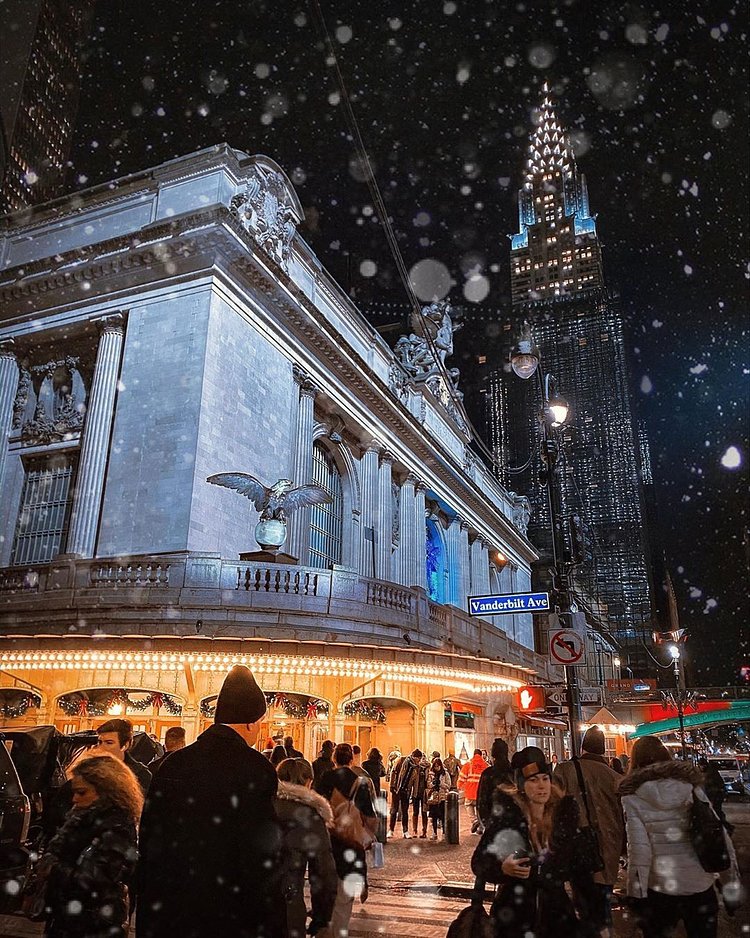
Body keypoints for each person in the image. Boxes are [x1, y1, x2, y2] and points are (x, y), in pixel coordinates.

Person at [136, 665, 284, 938]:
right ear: (251, 722)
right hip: (229, 913)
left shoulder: (173, 764)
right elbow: (260, 856)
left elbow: (149, 841)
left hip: (173, 909)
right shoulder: (256, 769)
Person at [471, 746, 581, 938]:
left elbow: (579, 865)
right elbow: (479, 862)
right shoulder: (508, 819)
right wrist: (502, 869)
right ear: (521, 785)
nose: (541, 786)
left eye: (545, 778)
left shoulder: (563, 816)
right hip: (513, 914)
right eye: (533, 780)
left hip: (556, 915)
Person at [619, 736, 719, 938]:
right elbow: (717, 831)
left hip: (660, 887)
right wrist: (729, 877)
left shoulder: (633, 797)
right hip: (699, 882)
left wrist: (636, 893)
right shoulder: (691, 787)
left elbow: (639, 850)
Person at [42, 753, 142, 938]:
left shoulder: (117, 826)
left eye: (82, 792)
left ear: (107, 791)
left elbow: (96, 879)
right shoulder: (80, 820)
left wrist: (52, 869)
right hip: (68, 919)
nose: (74, 799)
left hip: (93, 925)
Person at [554, 726, 625, 937]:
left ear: (582, 745)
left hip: (578, 845)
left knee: (583, 902)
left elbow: (554, 806)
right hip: (609, 845)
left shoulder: (565, 770)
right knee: (602, 899)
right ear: (603, 749)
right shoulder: (614, 777)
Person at [315, 743, 377, 938]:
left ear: (334, 759)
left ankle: (324, 930)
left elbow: (316, 806)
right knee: (343, 899)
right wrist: (368, 834)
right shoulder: (360, 783)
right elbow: (370, 816)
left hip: (327, 839)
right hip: (350, 843)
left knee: (326, 894)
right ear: (352, 759)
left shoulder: (325, 779)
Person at [275, 757, 338, 938]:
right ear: (309, 782)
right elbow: (324, 873)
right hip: (289, 907)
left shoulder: (259, 806)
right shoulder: (309, 816)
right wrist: (321, 918)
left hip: (250, 906)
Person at [96, 718, 152, 794]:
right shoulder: (89, 769)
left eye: (109, 743)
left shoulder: (140, 774)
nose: (101, 747)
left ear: (125, 745)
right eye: (99, 742)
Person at [476, 737, 514, 831]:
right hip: (512, 823)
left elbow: (481, 801)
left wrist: (487, 823)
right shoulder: (513, 772)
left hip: (494, 822)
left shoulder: (488, 773)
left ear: (493, 754)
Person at [387, 748, 424, 839]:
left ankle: (405, 831)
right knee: (394, 810)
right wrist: (392, 786)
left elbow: (415, 781)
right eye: (418, 759)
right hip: (397, 788)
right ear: (413, 757)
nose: (419, 761)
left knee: (405, 810)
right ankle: (391, 830)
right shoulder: (402, 760)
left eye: (420, 759)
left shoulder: (417, 767)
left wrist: (414, 794)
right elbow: (393, 772)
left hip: (406, 790)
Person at [457, 748, 489, 833]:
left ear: (473, 754)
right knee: (480, 809)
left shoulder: (468, 765)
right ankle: (481, 828)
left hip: (470, 792)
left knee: (468, 805)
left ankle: (474, 821)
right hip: (481, 794)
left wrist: (459, 786)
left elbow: (462, 777)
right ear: (481, 755)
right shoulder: (486, 766)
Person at [425, 757, 451, 839]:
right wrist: (433, 784)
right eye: (435, 766)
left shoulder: (445, 773)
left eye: (438, 766)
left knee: (443, 816)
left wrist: (441, 784)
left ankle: (444, 832)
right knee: (434, 816)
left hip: (442, 797)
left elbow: (448, 785)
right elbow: (428, 785)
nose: (437, 768)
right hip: (434, 798)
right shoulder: (431, 774)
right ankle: (434, 833)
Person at [697, 757, 727, 825]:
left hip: (714, 796)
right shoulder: (699, 774)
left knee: (716, 811)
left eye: (703, 765)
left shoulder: (712, 773)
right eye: (700, 765)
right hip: (705, 796)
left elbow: (719, 785)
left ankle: (720, 824)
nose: (702, 767)